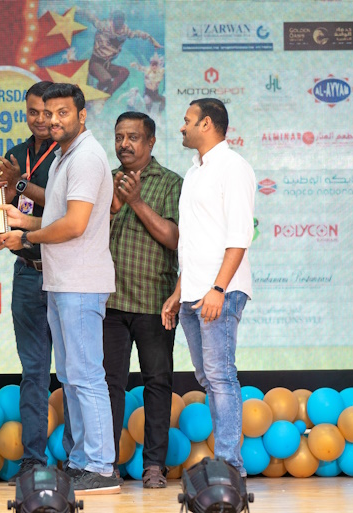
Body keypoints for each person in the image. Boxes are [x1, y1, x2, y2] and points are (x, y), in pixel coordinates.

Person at [0, 83, 119, 495]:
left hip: (80, 283)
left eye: (62, 113)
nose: (53, 120)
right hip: (62, 281)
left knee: (85, 376)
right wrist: (22, 221)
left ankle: (101, 466)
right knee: (71, 376)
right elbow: (56, 219)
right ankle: (83, 461)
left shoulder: (86, 156)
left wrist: (27, 237)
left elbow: (74, 225)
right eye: (48, 113)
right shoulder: (65, 156)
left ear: (82, 115)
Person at [161, 98, 255, 477]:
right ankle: (226, 462)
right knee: (208, 378)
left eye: (187, 120)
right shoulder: (195, 171)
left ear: (207, 124)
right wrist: (178, 292)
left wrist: (218, 288)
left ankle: (230, 465)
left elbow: (240, 235)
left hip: (220, 291)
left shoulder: (233, 167)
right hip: (193, 292)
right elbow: (194, 241)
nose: (181, 127)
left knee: (220, 375)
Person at [0, 81, 62, 484]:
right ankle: (33, 460)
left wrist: (19, 183)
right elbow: (6, 208)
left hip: (64, 274)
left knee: (73, 372)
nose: (41, 119)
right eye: (33, 111)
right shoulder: (15, 155)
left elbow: (67, 212)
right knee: (33, 372)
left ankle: (78, 459)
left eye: (49, 112)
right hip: (26, 272)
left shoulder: (70, 153)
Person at [104, 111, 182, 488]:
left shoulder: (171, 183)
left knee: (157, 383)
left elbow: (174, 238)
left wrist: (134, 201)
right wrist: (112, 207)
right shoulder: (104, 180)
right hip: (109, 302)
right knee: (108, 385)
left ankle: (154, 465)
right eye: (120, 136)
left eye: (133, 137)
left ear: (150, 142)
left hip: (155, 302)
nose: (124, 144)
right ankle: (105, 464)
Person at [79, 9, 162, 95]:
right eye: (118, 20)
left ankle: (107, 94)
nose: (120, 23)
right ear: (113, 20)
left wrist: (152, 40)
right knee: (106, 79)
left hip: (106, 65)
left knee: (124, 72)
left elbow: (137, 34)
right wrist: (77, 10)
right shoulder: (104, 26)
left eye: (122, 21)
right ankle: (100, 88)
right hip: (95, 63)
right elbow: (91, 18)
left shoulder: (124, 31)